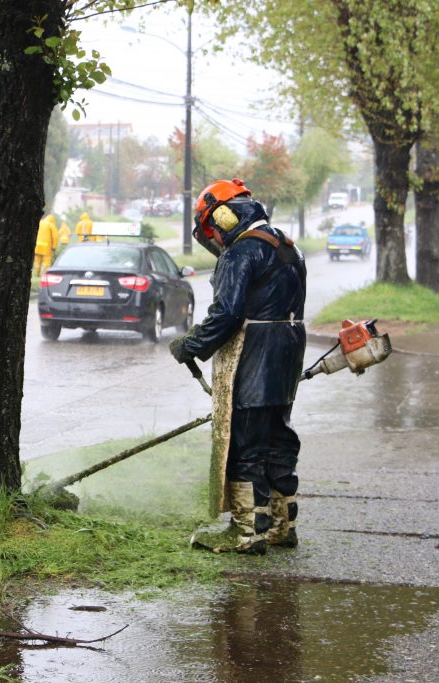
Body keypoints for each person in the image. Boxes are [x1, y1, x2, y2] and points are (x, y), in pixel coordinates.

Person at [168, 178, 307, 555]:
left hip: (255, 354)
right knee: (278, 438)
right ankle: (281, 525)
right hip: (287, 353)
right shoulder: (288, 247)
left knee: (245, 442)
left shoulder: (241, 252)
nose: (213, 237)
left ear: (224, 216)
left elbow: (226, 314)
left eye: (211, 227)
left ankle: (246, 531)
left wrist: (191, 345)